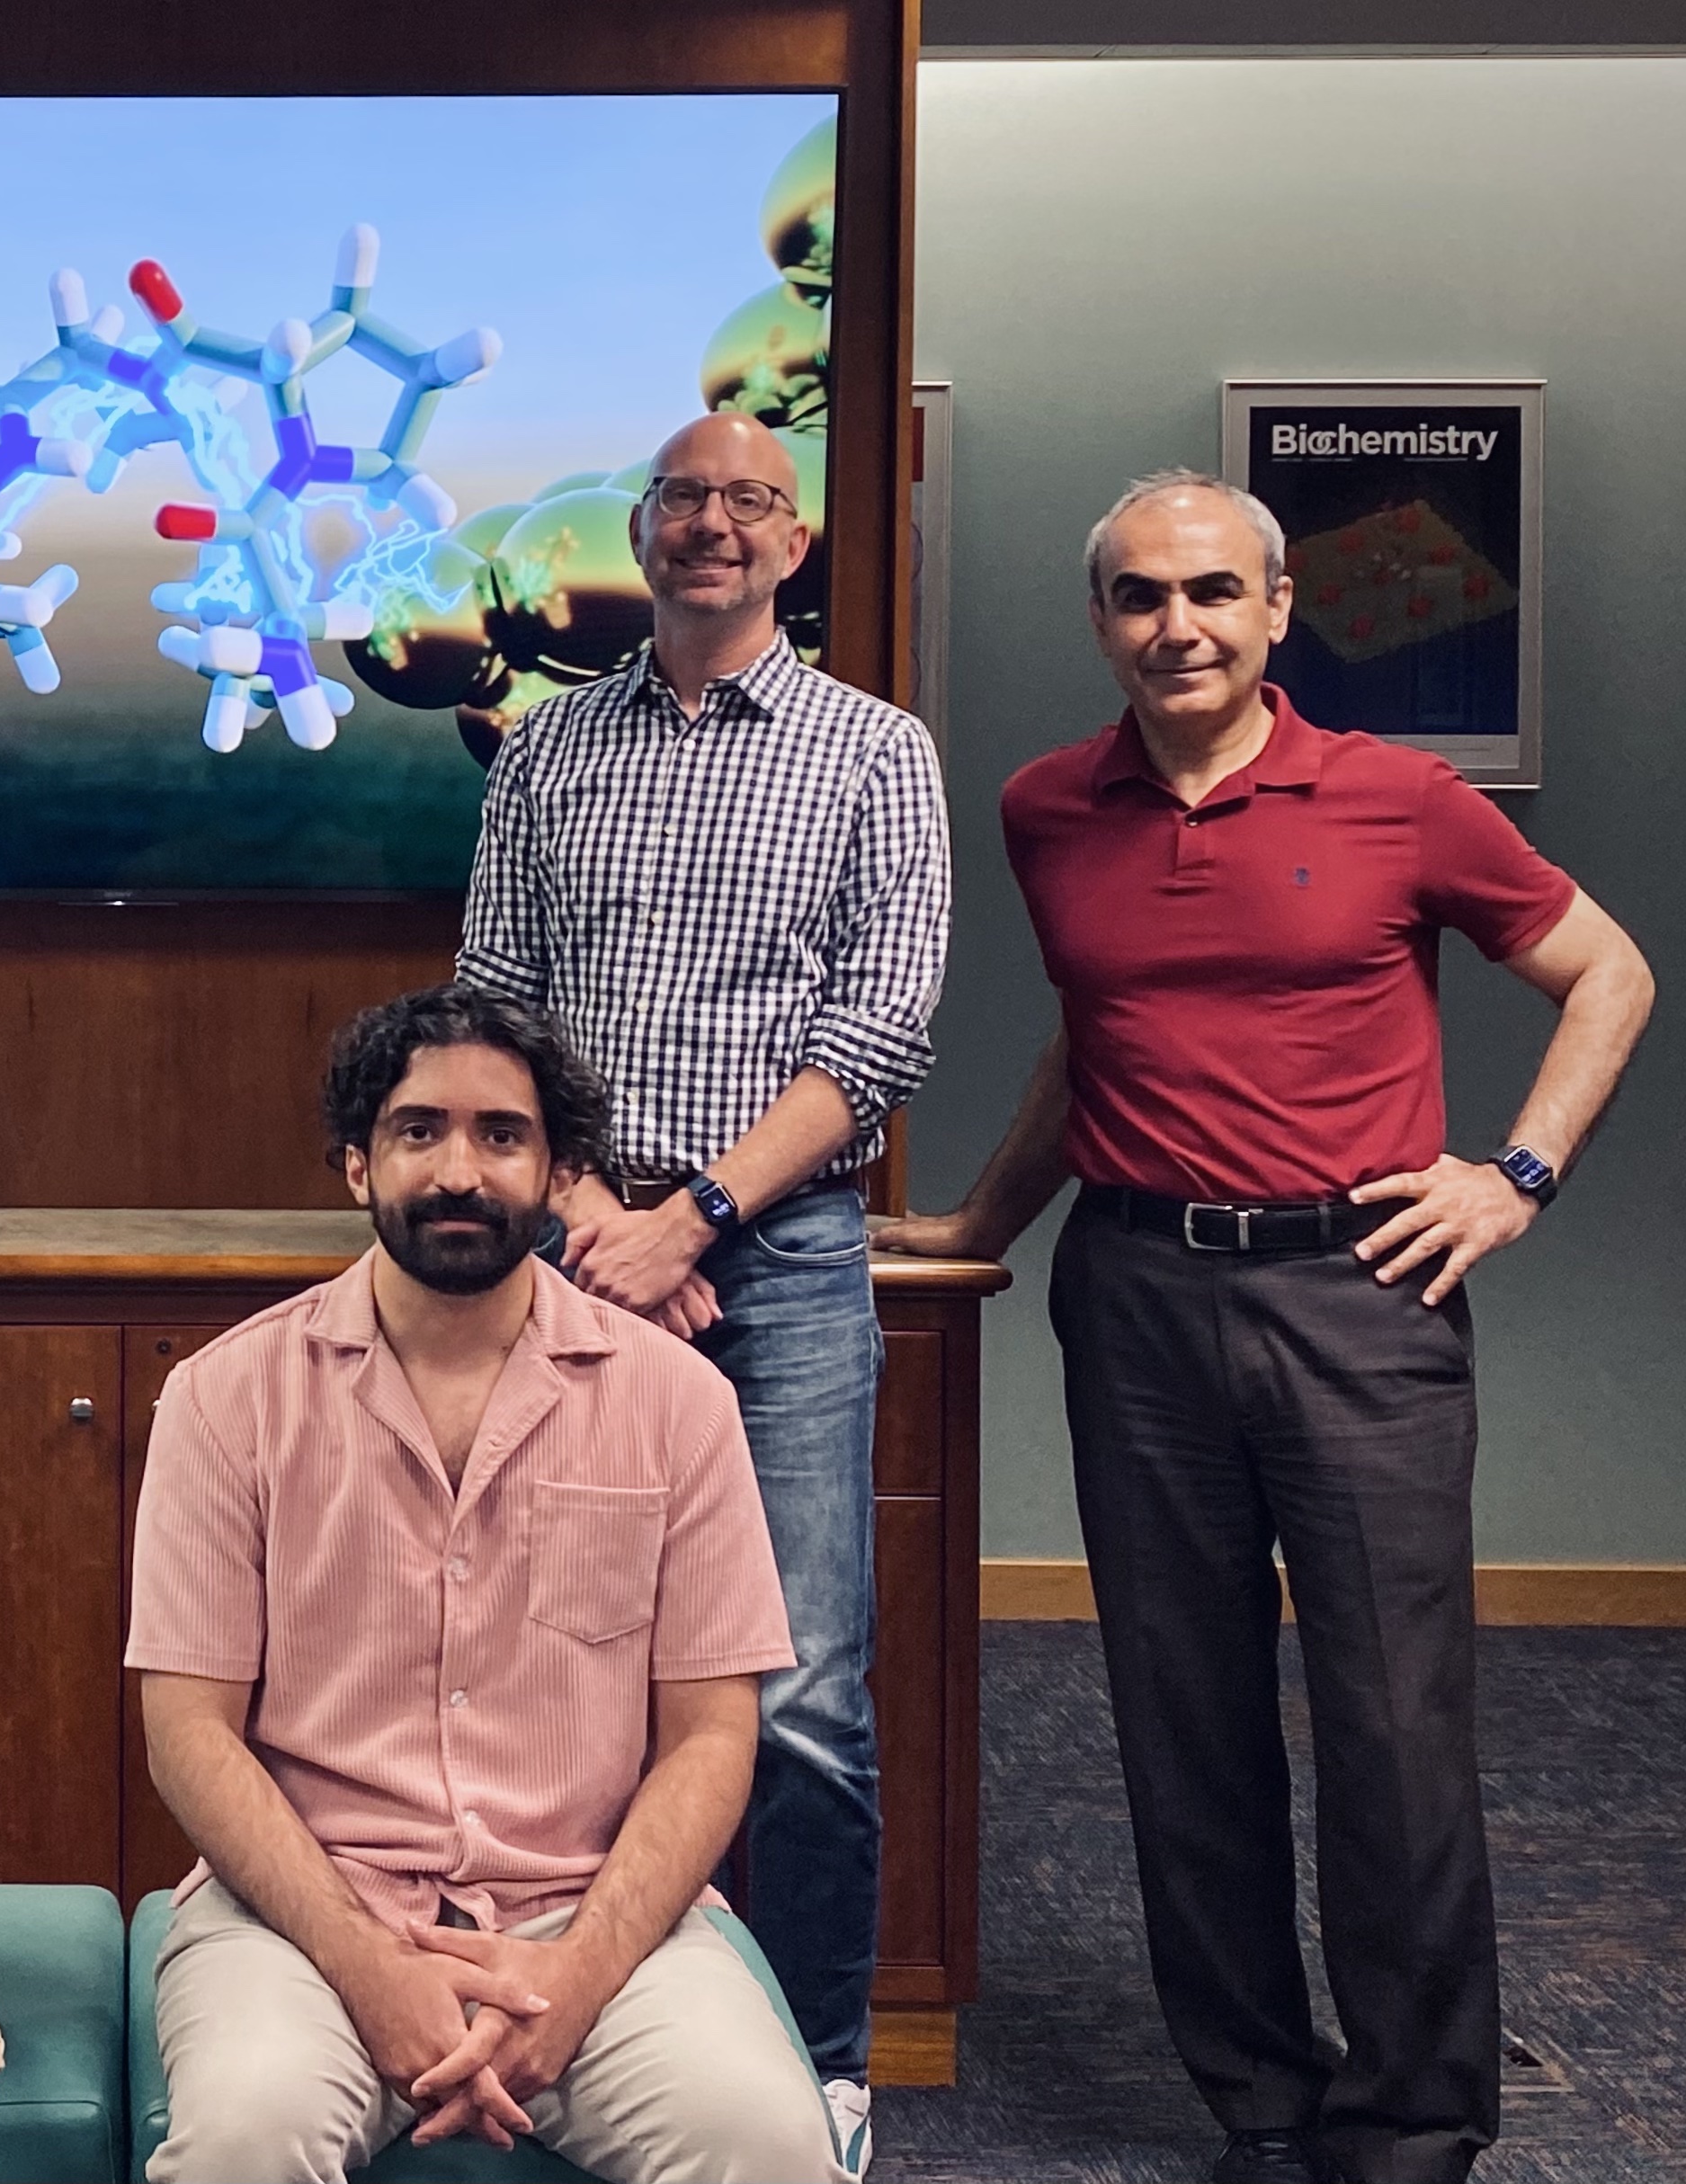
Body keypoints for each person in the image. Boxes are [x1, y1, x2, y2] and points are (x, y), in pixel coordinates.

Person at [878, 471, 1650, 2184]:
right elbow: (1108, 1043)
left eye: (1214, 591)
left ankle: (1413, 2113)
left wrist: (1514, 1172)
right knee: (1180, 1714)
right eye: (1143, 595)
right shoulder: (1044, 806)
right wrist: (980, 1226)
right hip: (1138, 1296)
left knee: (1393, 1724)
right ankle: (1262, 2098)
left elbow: (1612, 970)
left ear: (1280, 607)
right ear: (1103, 622)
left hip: (1359, 1297)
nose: (1181, 625)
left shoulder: (1402, 798)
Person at [456, 409, 949, 2165]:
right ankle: (551, 2015)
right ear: (638, 529)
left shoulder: (872, 752)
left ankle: (819, 2053)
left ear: (794, 541)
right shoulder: (542, 750)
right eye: (681, 497)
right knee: (548, 1661)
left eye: (748, 500)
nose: (711, 525)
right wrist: (595, 1217)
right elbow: (491, 1000)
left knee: (798, 1681)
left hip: (786, 1258)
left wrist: (698, 1219)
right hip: (560, 1252)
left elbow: (882, 1023)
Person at [130, 985, 845, 2184]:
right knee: (243, 2138)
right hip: (306, 1920)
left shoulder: (678, 1405)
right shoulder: (224, 1397)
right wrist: (370, 1969)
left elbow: (713, 1740)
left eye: (500, 1136)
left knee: (765, 2143)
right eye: (418, 1131)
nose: (458, 1169)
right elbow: (188, 1734)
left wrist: (577, 1979)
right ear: (356, 1163)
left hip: (592, 1911)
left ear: (559, 1169)